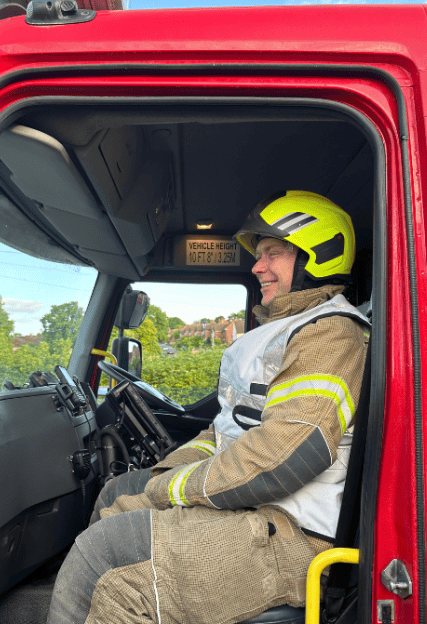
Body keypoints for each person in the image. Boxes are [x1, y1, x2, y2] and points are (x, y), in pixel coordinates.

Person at [47, 191, 370, 624]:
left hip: (294, 536)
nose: (258, 266)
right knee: (116, 493)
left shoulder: (332, 335)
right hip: (258, 513)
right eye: (260, 255)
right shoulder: (287, 329)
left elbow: (287, 455)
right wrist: (165, 473)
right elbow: (221, 433)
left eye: (273, 252)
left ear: (319, 255)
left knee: (104, 567)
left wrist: (172, 490)